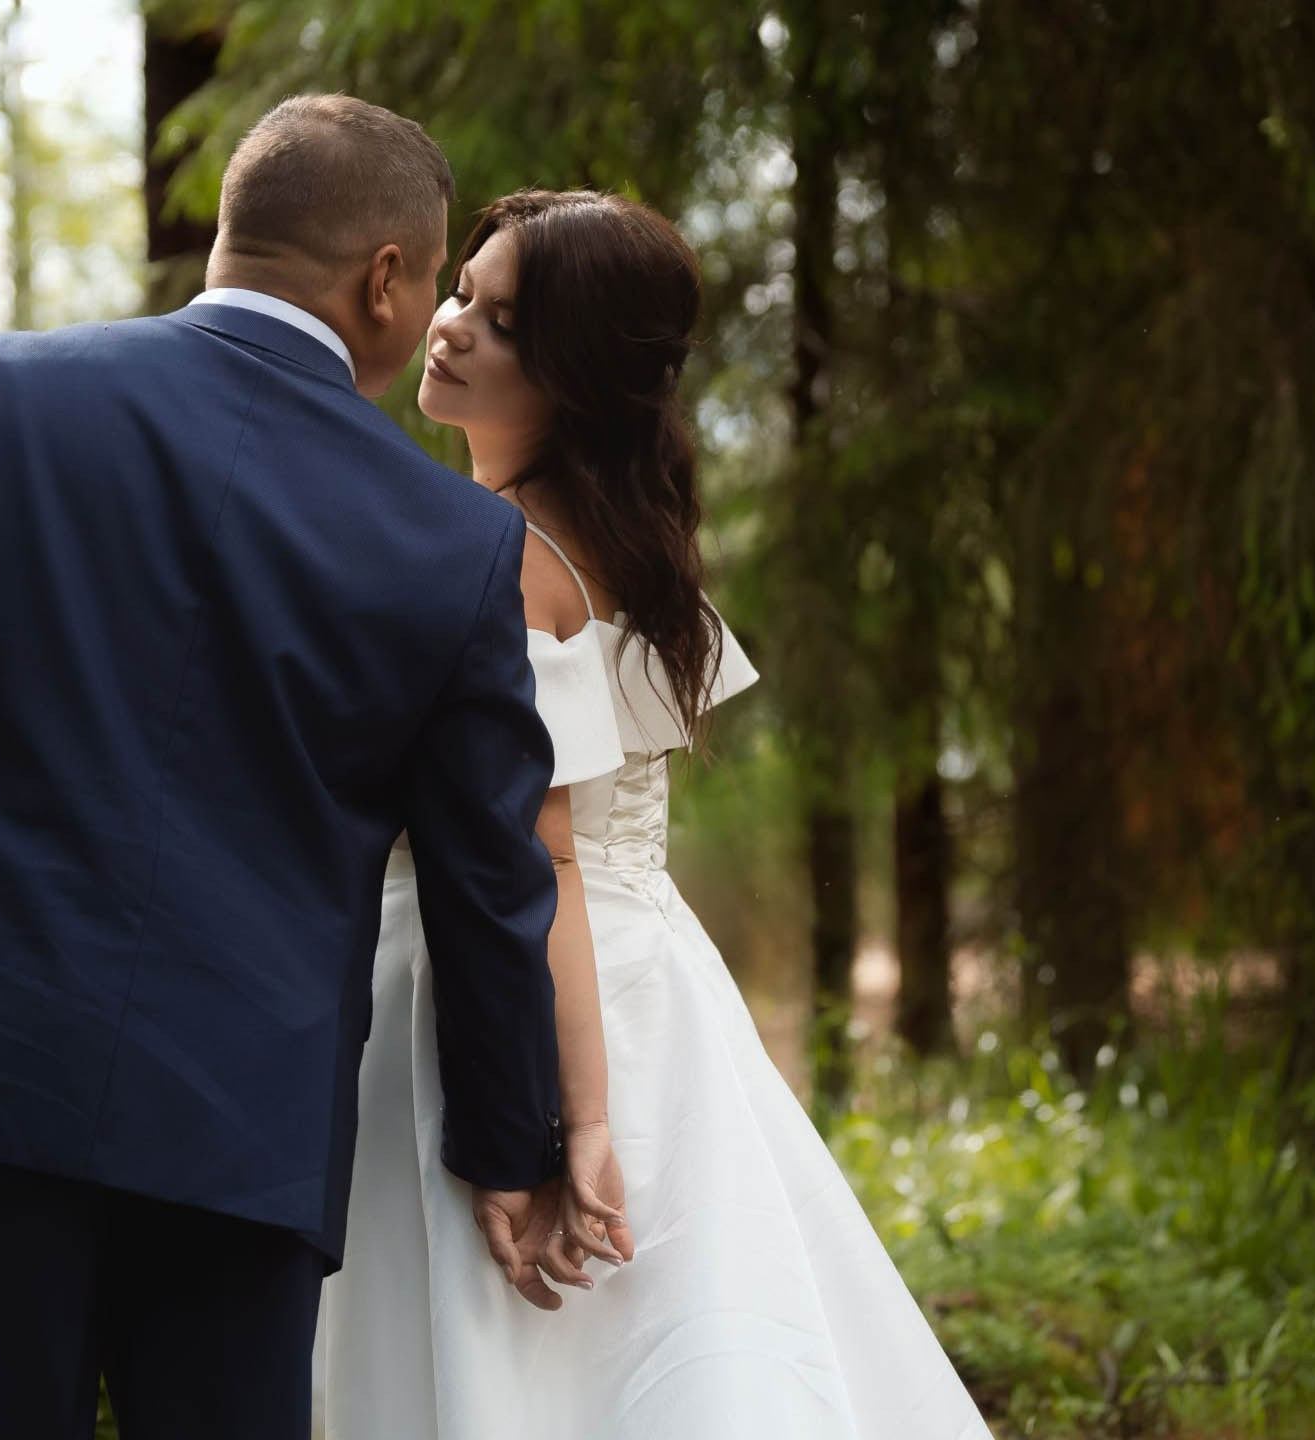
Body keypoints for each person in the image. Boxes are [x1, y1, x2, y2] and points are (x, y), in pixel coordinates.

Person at [0, 95, 570, 1440]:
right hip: (241, 1136)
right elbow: (487, 878)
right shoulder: (452, 544)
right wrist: (507, 1144)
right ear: (386, 279)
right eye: (433, 277)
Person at [316, 189, 994, 1440]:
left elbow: (544, 859)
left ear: (569, 373)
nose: (453, 326)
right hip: (654, 982)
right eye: (462, 292)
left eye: (500, 318)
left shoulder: (509, 554)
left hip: (520, 991)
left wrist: (575, 1118)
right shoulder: (619, 541)